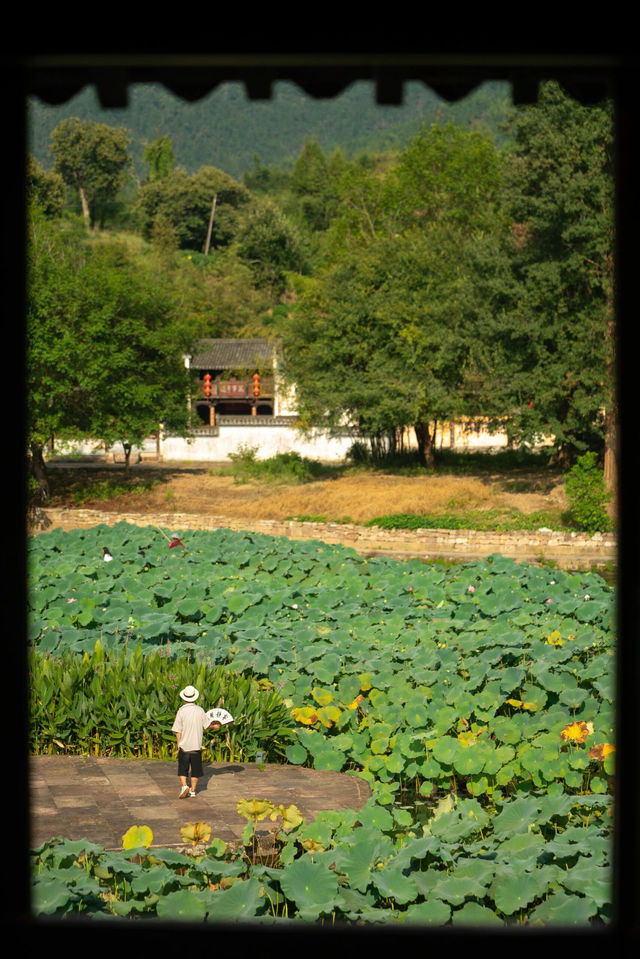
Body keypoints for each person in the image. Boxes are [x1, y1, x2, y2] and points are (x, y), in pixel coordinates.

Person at [171, 684, 221, 798]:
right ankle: (193, 791)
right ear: (195, 697)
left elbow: (177, 730)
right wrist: (215, 726)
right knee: (195, 771)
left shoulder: (181, 711)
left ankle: (184, 786)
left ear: (184, 698)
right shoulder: (200, 710)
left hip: (184, 746)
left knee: (183, 769)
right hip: (196, 747)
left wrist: (178, 743)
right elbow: (207, 725)